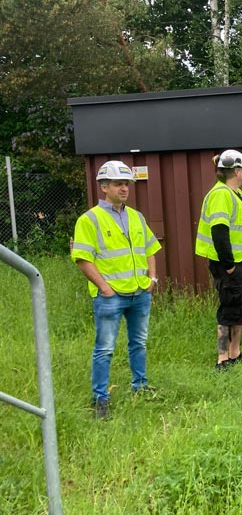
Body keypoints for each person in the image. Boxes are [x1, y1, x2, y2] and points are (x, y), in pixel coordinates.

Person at [71, 160, 162, 419]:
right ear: (103, 187)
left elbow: (150, 249)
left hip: (139, 294)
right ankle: (101, 399)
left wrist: (151, 280)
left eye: (127, 184)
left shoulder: (136, 216)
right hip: (110, 297)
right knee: (105, 349)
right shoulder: (89, 220)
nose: (124, 189)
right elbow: (82, 258)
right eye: (118, 184)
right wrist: (104, 288)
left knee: (139, 343)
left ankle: (141, 387)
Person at [195, 149, 242, 371]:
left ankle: (236, 352)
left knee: (239, 308)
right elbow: (220, 232)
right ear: (235, 171)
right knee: (227, 310)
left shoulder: (236, 194)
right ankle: (222, 357)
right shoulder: (221, 194)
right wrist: (229, 265)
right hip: (230, 265)